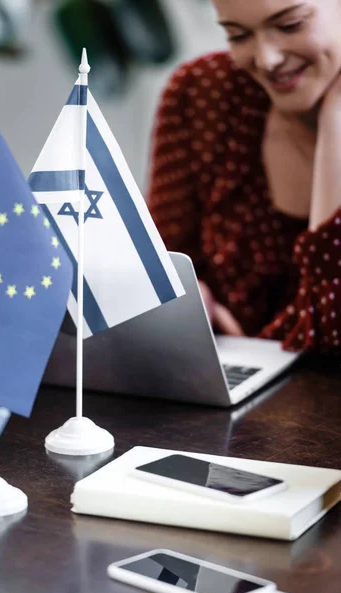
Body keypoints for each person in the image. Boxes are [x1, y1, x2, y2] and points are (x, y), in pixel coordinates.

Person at [148, 0, 341, 352]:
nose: (267, 60)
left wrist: (336, 121)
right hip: (218, 393)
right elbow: (162, 264)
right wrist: (184, 300)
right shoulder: (204, 94)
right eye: (238, 35)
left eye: (291, 25)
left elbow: (330, 337)